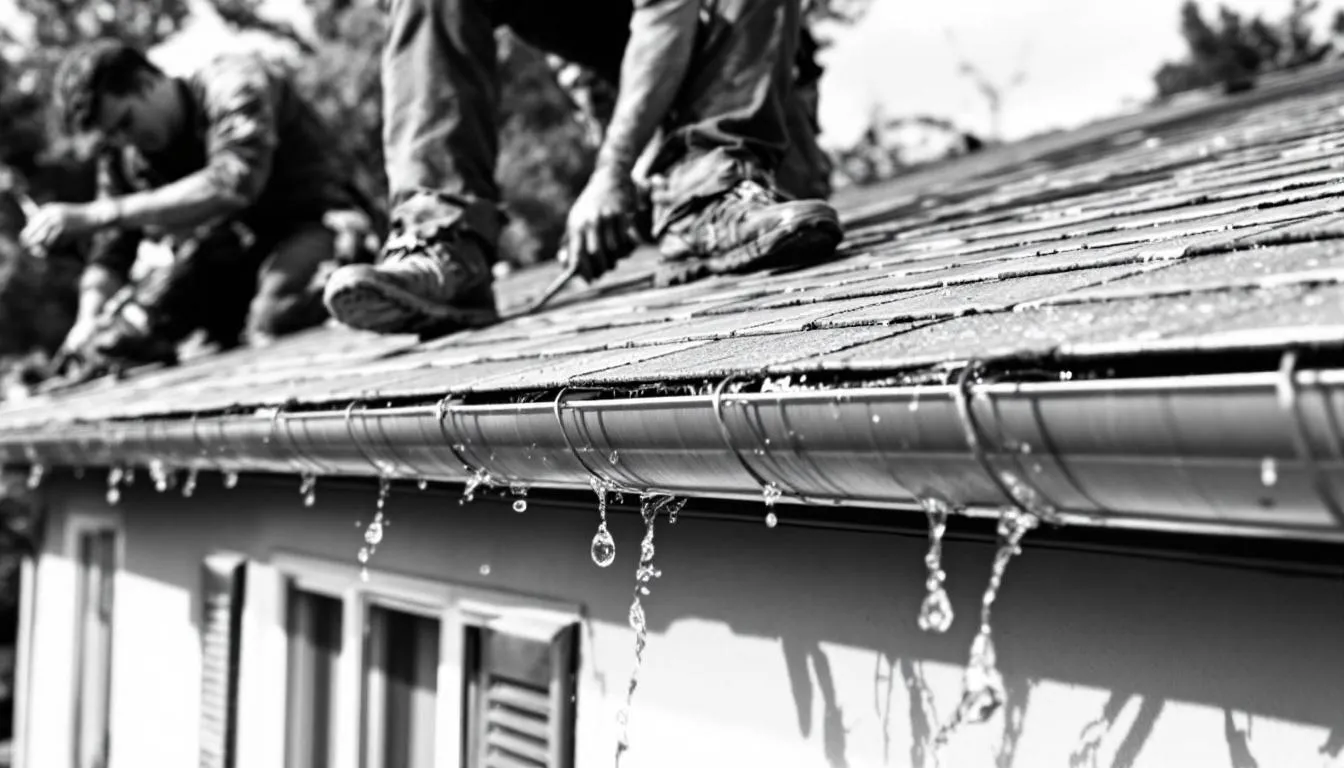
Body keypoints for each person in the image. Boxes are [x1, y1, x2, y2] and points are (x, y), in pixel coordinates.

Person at [323, 0, 844, 338]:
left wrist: (612, 173)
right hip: (650, 106)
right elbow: (591, 58)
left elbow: (668, 15)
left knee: (748, 197)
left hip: (756, 95)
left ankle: (714, 190)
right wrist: (632, 179)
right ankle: (444, 246)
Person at [21, 41, 377, 372]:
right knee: (126, 338)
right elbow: (111, 250)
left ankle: (365, 275)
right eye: (111, 135)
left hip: (316, 222)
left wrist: (94, 214)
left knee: (275, 316)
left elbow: (232, 183)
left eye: (126, 123)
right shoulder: (126, 155)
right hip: (235, 253)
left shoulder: (232, 83)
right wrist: (86, 323)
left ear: (147, 81)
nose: (123, 140)